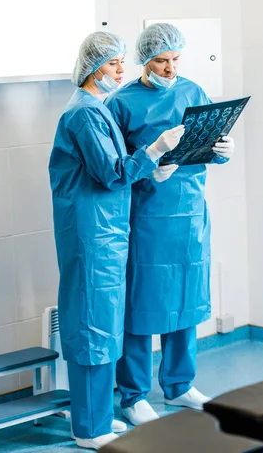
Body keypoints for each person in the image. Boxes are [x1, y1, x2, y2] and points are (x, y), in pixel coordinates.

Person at [48, 31, 184, 450]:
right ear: (92, 67)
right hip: (91, 235)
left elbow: (119, 166)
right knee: (92, 325)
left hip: (105, 231)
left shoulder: (97, 108)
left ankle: (100, 416)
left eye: (123, 62)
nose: (122, 71)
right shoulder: (84, 114)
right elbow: (111, 173)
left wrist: (152, 164)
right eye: (113, 64)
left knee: (107, 325)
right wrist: (155, 151)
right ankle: (88, 429)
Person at [106, 23, 235, 426]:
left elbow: (209, 138)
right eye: (161, 61)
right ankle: (133, 394)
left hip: (191, 211)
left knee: (186, 298)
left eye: (175, 60)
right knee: (143, 304)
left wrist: (222, 151)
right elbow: (115, 168)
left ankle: (180, 386)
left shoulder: (193, 90)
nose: (169, 68)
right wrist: (149, 170)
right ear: (144, 61)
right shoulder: (121, 103)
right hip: (147, 215)